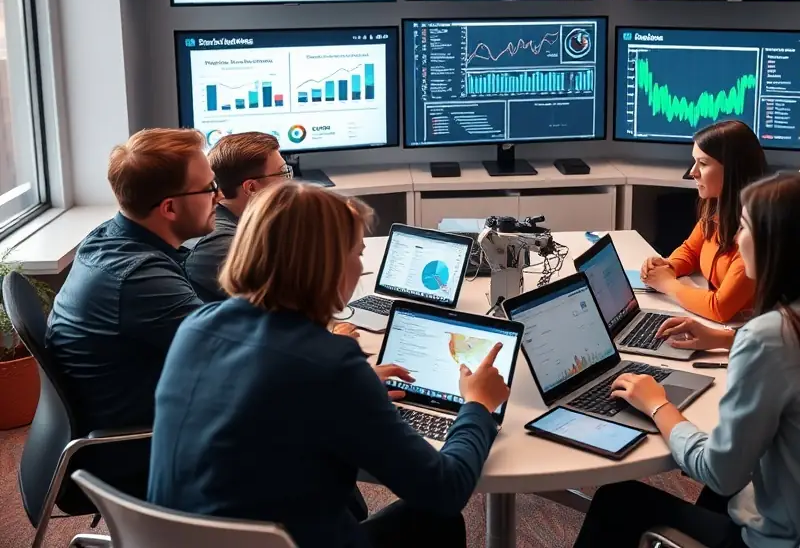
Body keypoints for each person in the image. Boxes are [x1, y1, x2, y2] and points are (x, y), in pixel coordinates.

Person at [148, 181, 511, 548]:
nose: (360, 263)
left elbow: (267, 389)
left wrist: (356, 384)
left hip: (185, 538)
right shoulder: (331, 365)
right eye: (356, 253)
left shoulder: (198, 326)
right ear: (329, 267)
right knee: (438, 519)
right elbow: (446, 488)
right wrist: (478, 405)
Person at [575, 173, 800, 548]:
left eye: (743, 227)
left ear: (778, 245)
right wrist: (726, 338)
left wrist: (657, 404)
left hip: (796, 537)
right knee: (722, 495)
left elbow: (718, 472)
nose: (737, 241)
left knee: (617, 499)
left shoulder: (772, 338)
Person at [47, 128, 216, 497]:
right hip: (133, 450)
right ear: (169, 207)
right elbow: (232, 354)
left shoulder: (109, 236)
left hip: (120, 421)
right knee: (300, 426)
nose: (218, 196)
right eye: (209, 188)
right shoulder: (139, 278)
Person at [640, 120, 767, 323]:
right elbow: (691, 250)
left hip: (744, 334)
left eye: (704, 163)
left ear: (733, 170)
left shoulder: (755, 236)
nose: (693, 172)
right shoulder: (716, 211)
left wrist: (667, 284)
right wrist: (668, 266)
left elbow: (720, 308)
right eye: (694, 161)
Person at [184, 132, 290, 303]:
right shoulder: (223, 245)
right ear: (252, 188)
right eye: (283, 173)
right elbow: (286, 302)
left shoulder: (242, 221)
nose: (289, 182)